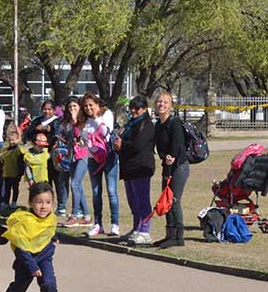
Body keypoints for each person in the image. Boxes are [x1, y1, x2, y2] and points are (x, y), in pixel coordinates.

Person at [1, 182, 60, 292]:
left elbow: (47, 230)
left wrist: (54, 237)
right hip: (25, 260)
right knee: (19, 286)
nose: (44, 206)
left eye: (48, 202)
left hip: (44, 258)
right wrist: (32, 266)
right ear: (30, 203)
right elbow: (21, 248)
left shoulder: (51, 218)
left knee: (49, 283)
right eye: (39, 202)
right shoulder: (24, 221)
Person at [113, 96, 156, 245]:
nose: (133, 111)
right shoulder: (131, 123)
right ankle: (136, 228)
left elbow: (139, 145)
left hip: (141, 166)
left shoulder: (146, 124)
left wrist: (122, 144)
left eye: (136, 108)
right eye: (131, 107)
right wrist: (118, 145)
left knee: (142, 199)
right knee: (133, 200)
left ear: (144, 109)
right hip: (128, 166)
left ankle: (145, 230)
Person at [154, 91, 190, 249]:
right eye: (159, 102)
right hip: (166, 166)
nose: (161, 104)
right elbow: (160, 147)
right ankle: (169, 234)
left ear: (170, 106)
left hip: (179, 166)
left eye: (165, 102)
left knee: (174, 200)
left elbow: (177, 145)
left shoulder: (174, 123)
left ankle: (178, 236)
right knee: (165, 200)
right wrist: (164, 157)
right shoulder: (158, 124)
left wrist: (171, 157)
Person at [81, 93, 120, 237]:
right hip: (93, 159)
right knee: (96, 192)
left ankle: (115, 224)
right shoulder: (84, 121)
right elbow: (84, 139)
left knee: (111, 192)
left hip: (109, 157)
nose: (88, 108)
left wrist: (96, 117)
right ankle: (98, 224)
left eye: (91, 105)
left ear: (98, 104)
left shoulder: (107, 114)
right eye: (85, 106)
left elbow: (106, 132)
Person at [24, 100, 66, 213]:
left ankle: (61, 205)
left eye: (49, 109)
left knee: (57, 180)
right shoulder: (37, 120)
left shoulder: (57, 121)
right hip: (38, 155)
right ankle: (43, 204)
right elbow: (28, 135)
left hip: (52, 154)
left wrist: (51, 131)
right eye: (45, 109)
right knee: (44, 182)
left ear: (53, 110)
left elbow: (58, 136)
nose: (47, 111)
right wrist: (36, 129)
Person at [60, 97, 92, 228]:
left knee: (74, 183)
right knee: (78, 186)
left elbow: (81, 135)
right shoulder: (66, 122)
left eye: (75, 106)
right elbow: (66, 135)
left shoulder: (85, 121)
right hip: (72, 155)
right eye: (70, 107)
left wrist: (74, 120)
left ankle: (74, 215)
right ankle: (87, 216)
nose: (72, 109)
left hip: (84, 155)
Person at [0, 125, 25, 212]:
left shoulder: (18, 150)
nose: (11, 142)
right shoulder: (5, 150)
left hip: (15, 173)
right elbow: (2, 159)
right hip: (6, 173)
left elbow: (21, 162)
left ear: (18, 140)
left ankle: (14, 202)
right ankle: (6, 202)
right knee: (6, 189)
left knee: (15, 188)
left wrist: (20, 173)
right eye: (10, 140)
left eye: (13, 140)